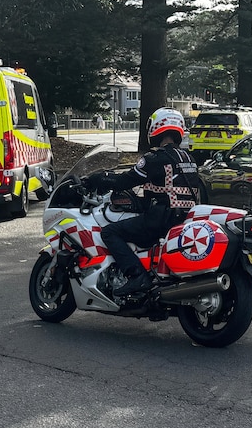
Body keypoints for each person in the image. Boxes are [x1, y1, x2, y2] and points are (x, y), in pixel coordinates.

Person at [83, 107, 201, 295]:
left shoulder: (154, 159)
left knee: (110, 232)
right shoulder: (189, 158)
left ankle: (137, 276)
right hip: (185, 219)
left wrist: (100, 178)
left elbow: (124, 181)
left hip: (161, 219)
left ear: (156, 128)